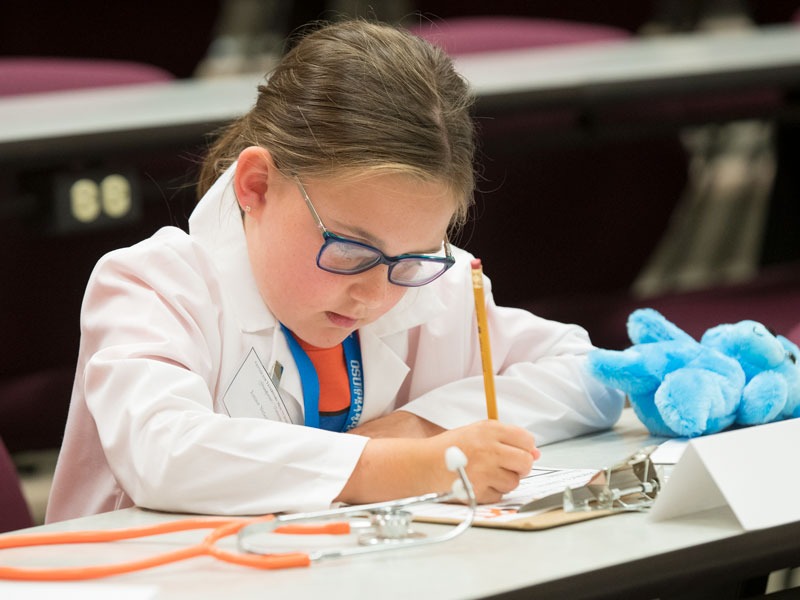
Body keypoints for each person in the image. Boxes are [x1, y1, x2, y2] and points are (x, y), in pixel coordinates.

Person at [46, 19, 624, 523]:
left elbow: (592, 376)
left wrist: (418, 427)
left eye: (413, 258)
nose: (374, 295)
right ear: (256, 186)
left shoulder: (430, 287)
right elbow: (164, 452)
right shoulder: (155, 284)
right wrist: (398, 467)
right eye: (350, 251)